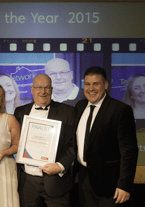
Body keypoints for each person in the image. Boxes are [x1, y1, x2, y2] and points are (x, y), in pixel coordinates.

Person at [74, 66, 138, 207]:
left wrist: (124, 185)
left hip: (110, 185)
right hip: (83, 180)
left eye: (96, 84)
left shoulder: (120, 110)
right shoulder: (79, 106)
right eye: (87, 84)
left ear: (106, 85)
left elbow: (129, 151)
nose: (91, 88)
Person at [14, 74, 76, 207]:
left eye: (47, 87)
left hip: (56, 181)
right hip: (27, 182)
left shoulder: (68, 112)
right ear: (32, 89)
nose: (43, 91)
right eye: (39, 87)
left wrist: (60, 166)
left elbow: (73, 145)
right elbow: (15, 142)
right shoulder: (20, 112)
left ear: (52, 89)